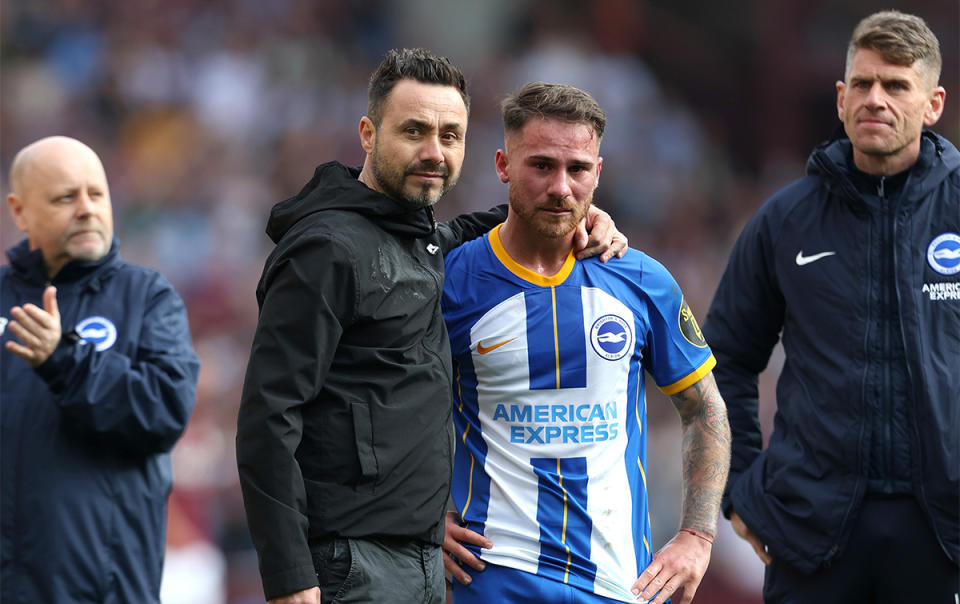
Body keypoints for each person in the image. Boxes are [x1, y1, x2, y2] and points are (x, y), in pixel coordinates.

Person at [236, 49, 626, 604]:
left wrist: (573, 212)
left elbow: (466, 227)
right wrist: (289, 573)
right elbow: (268, 416)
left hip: (419, 562)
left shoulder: (411, 238)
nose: (434, 152)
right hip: (348, 565)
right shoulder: (327, 250)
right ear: (368, 134)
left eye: (450, 135)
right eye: (414, 131)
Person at [703, 10, 959, 603]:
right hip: (811, 532)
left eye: (896, 85)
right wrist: (738, 488)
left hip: (942, 533)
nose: (877, 99)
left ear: (933, 103)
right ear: (841, 99)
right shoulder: (784, 220)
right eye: (863, 84)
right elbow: (723, 360)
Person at [440, 82, 731, 604]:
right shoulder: (451, 282)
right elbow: (387, 406)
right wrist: (417, 517)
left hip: (620, 584)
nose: (561, 187)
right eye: (542, 165)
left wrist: (697, 536)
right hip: (489, 581)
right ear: (503, 165)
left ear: (598, 173)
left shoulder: (641, 280)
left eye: (576, 169)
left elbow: (705, 410)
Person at [0, 136, 200, 603]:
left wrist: (64, 360)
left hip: (106, 593)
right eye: (66, 197)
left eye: (97, 193)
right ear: (20, 211)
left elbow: (164, 412)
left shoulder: (147, 298)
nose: (87, 209)